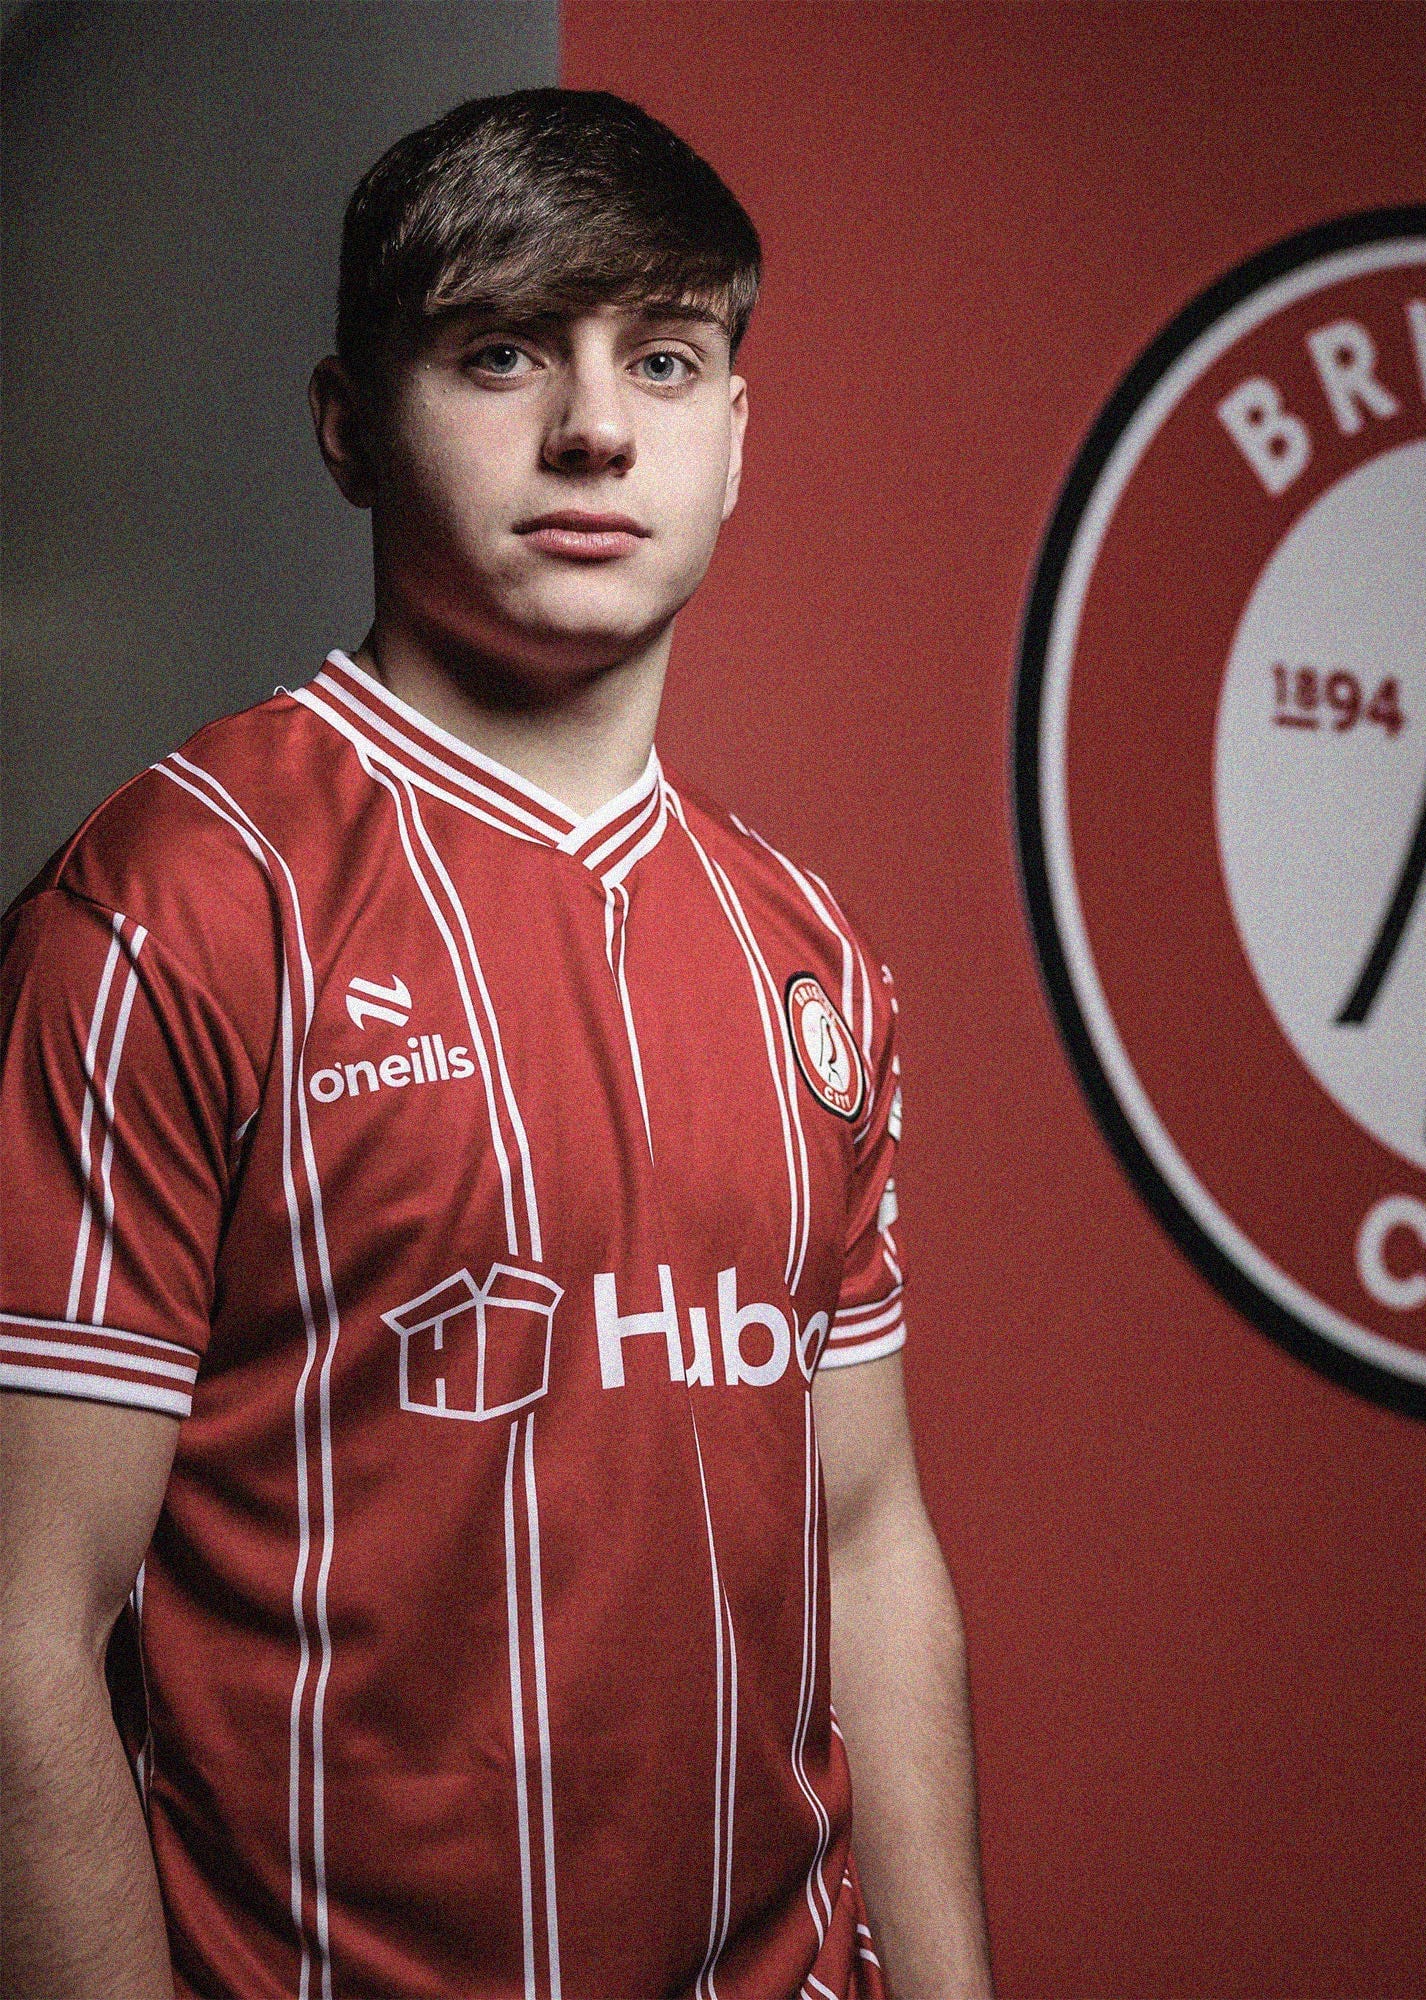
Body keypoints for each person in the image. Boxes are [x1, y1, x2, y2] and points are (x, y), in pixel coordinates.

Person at [0, 88, 992, 2000]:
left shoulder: (811, 954)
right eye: (502, 352)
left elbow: (865, 1543)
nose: (596, 426)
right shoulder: (178, 902)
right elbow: (21, 1618)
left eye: (667, 357)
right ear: (349, 426)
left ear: (735, 438)